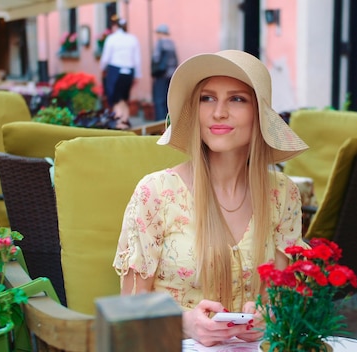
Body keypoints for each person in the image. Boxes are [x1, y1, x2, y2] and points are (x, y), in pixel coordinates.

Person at [113, 50, 309, 347]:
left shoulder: (282, 194)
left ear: (260, 114)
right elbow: (129, 307)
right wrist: (185, 323)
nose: (219, 112)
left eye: (237, 99)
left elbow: (283, 296)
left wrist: (268, 315)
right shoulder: (155, 193)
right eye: (207, 98)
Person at [99, 16, 142, 130]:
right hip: (129, 71)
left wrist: (102, 68)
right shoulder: (133, 39)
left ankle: (118, 122)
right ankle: (124, 120)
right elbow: (137, 59)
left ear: (115, 26)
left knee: (115, 98)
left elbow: (105, 58)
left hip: (115, 70)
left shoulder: (112, 38)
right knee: (124, 97)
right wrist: (137, 74)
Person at [151, 24, 178, 121]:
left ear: (160, 33)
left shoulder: (160, 43)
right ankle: (168, 122)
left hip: (161, 74)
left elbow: (156, 58)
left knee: (159, 99)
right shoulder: (171, 43)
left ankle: (159, 122)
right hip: (171, 75)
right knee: (168, 99)